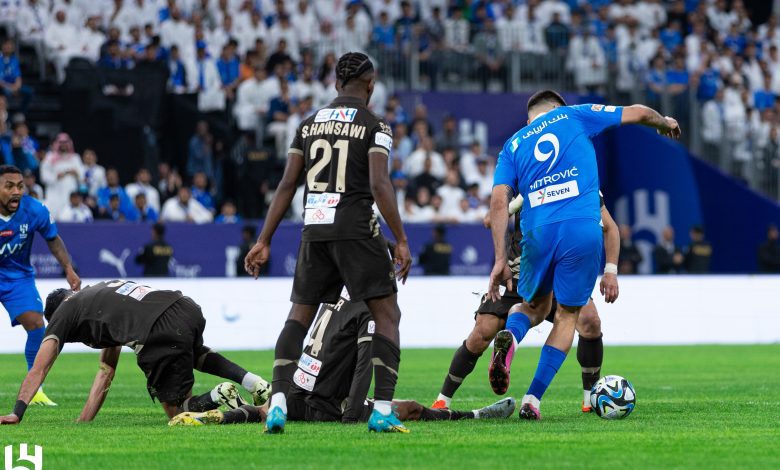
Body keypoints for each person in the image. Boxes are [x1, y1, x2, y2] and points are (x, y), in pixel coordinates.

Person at [243, 52, 412, 434]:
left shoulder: (307, 125)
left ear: (336, 83)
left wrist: (263, 240)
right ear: (370, 85)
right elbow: (379, 184)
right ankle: (383, 410)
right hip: (356, 228)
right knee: (387, 315)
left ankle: (280, 402)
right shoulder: (376, 126)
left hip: (314, 230)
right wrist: (400, 239)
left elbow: (288, 184)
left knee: (299, 316)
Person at [488, 90, 679, 420]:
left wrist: (499, 260)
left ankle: (512, 337)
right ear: (558, 109)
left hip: (538, 230)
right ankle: (532, 399)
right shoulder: (574, 115)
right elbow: (637, 111)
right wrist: (663, 123)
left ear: (529, 117)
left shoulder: (512, 145)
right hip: (581, 227)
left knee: (531, 306)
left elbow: (497, 206)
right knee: (566, 317)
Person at [170, 292, 516, 427]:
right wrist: (352, 416)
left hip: (296, 390)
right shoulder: (369, 307)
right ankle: (472, 414)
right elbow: (366, 361)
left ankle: (213, 415)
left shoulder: (331, 296)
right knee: (408, 407)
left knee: (265, 410)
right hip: (326, 403)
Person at [434, 191, 619, 413]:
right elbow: (492, 217)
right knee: (482, 332)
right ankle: (443, 400)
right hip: (518, 270)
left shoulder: (584, 182)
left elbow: (610, 227)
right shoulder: (529, 180)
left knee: (590, 322)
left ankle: (590, 399)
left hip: (557, 270)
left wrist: (611, 270)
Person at [0, 280, 271, 425]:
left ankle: (221, 395)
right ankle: (253, 382)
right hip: (184, 307)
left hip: (156, 331)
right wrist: (84, 421)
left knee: (178, 413)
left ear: (56, 313)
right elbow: (106, 371)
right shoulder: (98, 295)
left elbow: (39, 368)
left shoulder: (63, 314)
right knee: (195, 352)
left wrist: (17, 412)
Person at [0, 165, 81, 406]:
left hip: (17, 277)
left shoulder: (34, 209)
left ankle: (35, 391)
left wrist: (68, 268)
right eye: (9, 186)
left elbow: (53, 239)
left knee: (37, 326)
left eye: (20, 186)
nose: (16, 191)